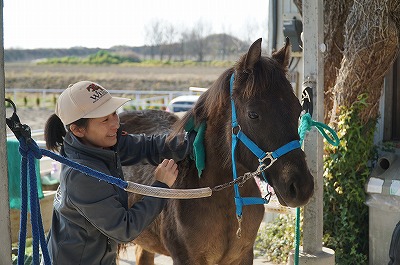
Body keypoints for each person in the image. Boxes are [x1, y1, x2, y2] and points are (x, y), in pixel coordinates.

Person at [44, 81, 193, 264]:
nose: (115, 123)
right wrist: (161, 186)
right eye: (104, 120)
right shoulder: (81, 176)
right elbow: (125, 229)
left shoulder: (101, 144)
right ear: (77, 129)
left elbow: (148, 147)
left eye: (113, 113)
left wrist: (191, 140)